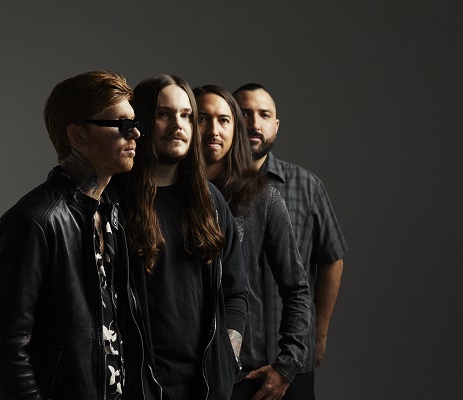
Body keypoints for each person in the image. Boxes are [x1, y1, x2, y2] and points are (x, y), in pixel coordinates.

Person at [0, 70, 150, 400]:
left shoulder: (111, 214)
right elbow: (2, 347)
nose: (136, 133)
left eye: (135, 123)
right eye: (123, 125)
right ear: (78, 134)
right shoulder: (34, 220)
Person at [111, 74, 248, 400]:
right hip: (138, 387)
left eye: (186, 115)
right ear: (141, 122)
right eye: (164, 114)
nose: (178, 125)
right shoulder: (114, 202)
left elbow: (236, 291)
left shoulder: (211, 202)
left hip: (204, 387)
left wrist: (228, 358)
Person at [194, 84, 310, 400]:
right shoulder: (168, 194)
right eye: (202, 118)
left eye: (224, 120)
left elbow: (297, 289)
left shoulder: (263, 198)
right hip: (176, 372)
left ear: (236, 131)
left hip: (241, 374)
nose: (213, 130)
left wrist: (287, 365)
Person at [233, 83, 349, 399]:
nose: (254, 123)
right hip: (232, 367)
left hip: (292, 360)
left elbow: (332, 258)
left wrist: (319, 332)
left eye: (264, 115)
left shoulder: (306, 186)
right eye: (244, 113)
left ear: (276, 125)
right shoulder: (211, 188)